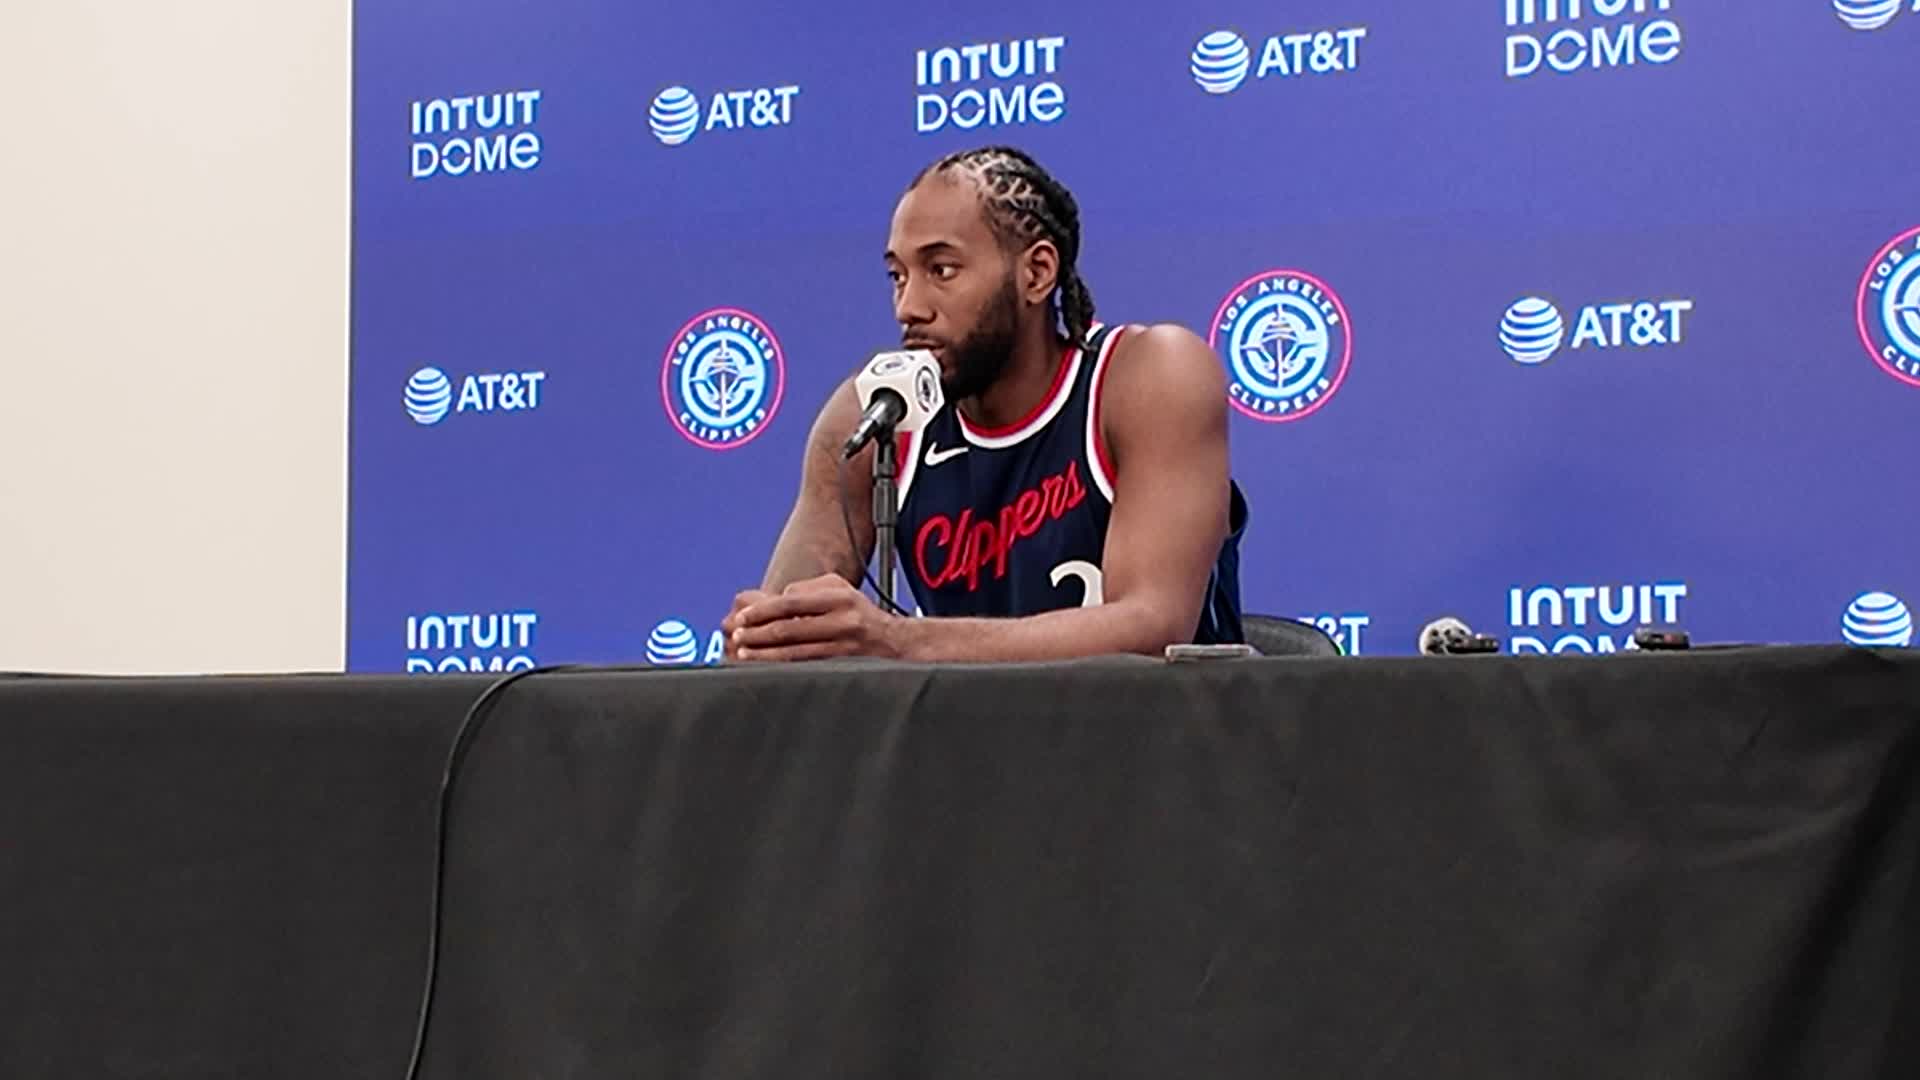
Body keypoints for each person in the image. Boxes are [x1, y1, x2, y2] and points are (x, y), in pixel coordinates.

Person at [722, 145, 1248, 662]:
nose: (909, 307)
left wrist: (895, 639)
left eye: (941, 270)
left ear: (1037, 273)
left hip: (1158, 739)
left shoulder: (1148, 375)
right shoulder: (875, 414)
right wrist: (766, 637)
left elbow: (1151, 624)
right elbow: (780, 645)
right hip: (966, 744)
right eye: (897, 276)